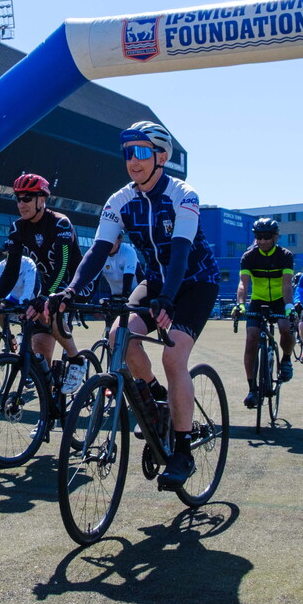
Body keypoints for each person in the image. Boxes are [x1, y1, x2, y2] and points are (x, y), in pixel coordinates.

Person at [47, 121, 219, 487]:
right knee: (117, 339)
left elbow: (181, 251)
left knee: (174, 357)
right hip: (155, 282)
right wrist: (72, 290)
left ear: (161, 156)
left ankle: (184, 452)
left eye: (141, 152)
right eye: (128, 153)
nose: (133, 161)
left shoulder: (182, 195)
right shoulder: (120, 200)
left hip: (194, 283)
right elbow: (97, 251)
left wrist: (169, 300)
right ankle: (157, 401)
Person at [0, 173, 88, 394]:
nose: (21, 203)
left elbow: (62, 266)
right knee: (40, 351)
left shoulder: (61, 223)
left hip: (75, 286)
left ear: (41, 199)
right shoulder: (18, 228)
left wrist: (44, 297)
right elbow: (11, 268)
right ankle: (49, 410)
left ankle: (76, 361)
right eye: (18, 198)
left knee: (50, 313)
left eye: (27, 198)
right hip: (49, 289)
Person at [236, 217, 296, 407]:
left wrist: (288, 306)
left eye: (267, 237)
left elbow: (287, 284)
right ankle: (252, 389)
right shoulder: (249, 256)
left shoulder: (285, 255)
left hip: (279, 300)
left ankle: (286, 360)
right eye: (258, 237)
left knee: (286, 328)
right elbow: (243, 285)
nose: (262, 241)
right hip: (258, 300)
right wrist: (240, 304)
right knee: (251, 339)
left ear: (276, 237)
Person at [0, 250, 39, 351]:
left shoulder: (28, 264)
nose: (9, 259)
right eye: (7, 256)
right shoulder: (1, 266)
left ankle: (27, 344)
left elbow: (29, 286)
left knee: (27, 323)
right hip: (13, 297)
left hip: (30, 296)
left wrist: (24, 305)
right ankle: (9, 337)